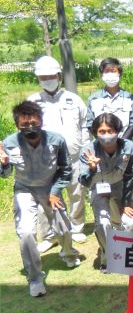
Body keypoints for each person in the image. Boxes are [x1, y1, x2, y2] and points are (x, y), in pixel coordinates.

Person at [0, 101, 80, 297]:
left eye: (34, 123)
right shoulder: (9, 143)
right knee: (26, 233)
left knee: (62, 225)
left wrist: (54, 191)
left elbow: (66, 170)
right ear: (17, 125)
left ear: (41, 122)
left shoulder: (56, 140)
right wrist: (4, 164)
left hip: (50, 187)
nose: (30, 128)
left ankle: (68, 253)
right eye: (24, 125)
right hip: (24, 189)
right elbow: (6, 175)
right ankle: (35, 278)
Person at [27, 55, 88, 250]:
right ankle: (49, 235)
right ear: (38, 79)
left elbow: (84, 125)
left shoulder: (74, 99)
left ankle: (76, 228)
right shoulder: (32, 102)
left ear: (59, 76)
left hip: (74, 156)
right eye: (43, 77)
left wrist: (85, 149)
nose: (47, 80)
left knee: (76, 194)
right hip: (45, 160)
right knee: (46, 198)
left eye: (51, 75)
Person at [86, 57, 133, 231]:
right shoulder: (93, 98)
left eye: (113, 71)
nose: (110, 74)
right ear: (101, 74)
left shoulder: (130, 98)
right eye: (106, 71)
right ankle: (115, 229)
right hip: (102, 154)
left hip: (127, 152)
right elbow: (90, 125)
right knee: (107, 190)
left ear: (119, 73)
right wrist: (104, 142)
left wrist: (120, 142)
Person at [79, 113, 133, 273]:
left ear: (118, 131)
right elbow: (83, 181)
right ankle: (108, 256)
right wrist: (91, 169)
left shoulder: (129, 147)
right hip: (98, 188)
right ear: (95, 133)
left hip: (121, 188)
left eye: (110, 131)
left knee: (130, 222)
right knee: (103, 223)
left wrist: (126, 203)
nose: (107, 135)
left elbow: (131, 176)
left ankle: (129, 251)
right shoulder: (88, 150)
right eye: (102, 132)